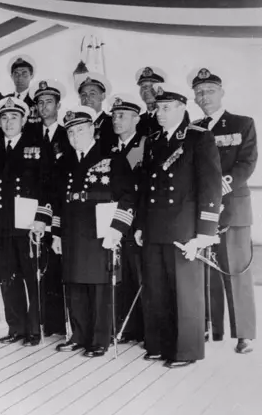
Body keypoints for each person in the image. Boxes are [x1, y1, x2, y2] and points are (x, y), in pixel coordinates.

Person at [135, 83, 222, 368]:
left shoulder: (199, 137)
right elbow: (146, 188)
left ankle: (186, 350)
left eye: (166, 108)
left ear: (183, 108)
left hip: (184, 228)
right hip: (155, 227)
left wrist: (204, 234)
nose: (159, 113)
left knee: (185, 292)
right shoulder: (154, 140)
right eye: (158, 107)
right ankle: (160, 344)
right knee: (156, 290)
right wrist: (140, 225)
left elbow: (210, 187)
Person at [54, 106, 136, 358]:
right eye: (70, 132)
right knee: (75, 285)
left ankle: (101, 339)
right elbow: (58, 200)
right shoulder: (64, 161)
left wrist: (117, 229)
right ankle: (78, 335)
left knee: (101, 287)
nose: (75, 136)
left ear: (92, 129)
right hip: (72, 234)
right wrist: (56, 233)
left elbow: (128, 197)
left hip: (102, 233)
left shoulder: (112, 158)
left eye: (80, 130)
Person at [191, 68, 257, 354]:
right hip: (203, 212)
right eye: (199, 92)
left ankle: (244, 335)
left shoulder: (242, 124)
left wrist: (218, 187)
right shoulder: (192, 128)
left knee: (237, 271)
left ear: (221, 93)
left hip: (233, 208)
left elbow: (247, 163)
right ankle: (213, 328)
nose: (204, 96)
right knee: (208, 271)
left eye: (209, 91)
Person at [0, 97, 53, 346]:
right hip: (3, 225)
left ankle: (34, 330)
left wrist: (42, 219)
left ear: (23, 119)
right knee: (8, 278)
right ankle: (16, 328)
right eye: (4, 117)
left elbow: (47, 186)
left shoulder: (36, 146)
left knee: (32, 279)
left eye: (14, 117)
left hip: (29, 226)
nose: (8, 122)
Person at [31, 79, 70, 337]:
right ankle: (46, 322)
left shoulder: (69, 133)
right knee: (41, 266)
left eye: (49, 102)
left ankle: (62, 324)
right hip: (35, 210)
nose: (45, 106)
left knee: (60, 266)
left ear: (58, 105)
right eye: (40, 102)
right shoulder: (30, 135)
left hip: (61, 208)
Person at [110, 93, 146, 344]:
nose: (116, 120)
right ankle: (126, 327)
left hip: (139, 222)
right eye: (114, 115)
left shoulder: (146, 145)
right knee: (121, 276)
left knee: (141, 275)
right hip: (115, 221)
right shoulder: (109, 148)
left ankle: (146, 330)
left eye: (122, 115)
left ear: (136, 118)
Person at [74, 72, 115, 154]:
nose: (87, 98)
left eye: (92, 94)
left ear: (103, 96)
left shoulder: (113, 123)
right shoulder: (75, 126)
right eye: (83, 95)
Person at [6, 55, 39, 131]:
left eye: (24, 74)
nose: (20, 77)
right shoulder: (5, 100)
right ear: (12, 77)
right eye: (16, 74)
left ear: (31, 76)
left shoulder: (36, 101)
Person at [135, 66, 165, 137]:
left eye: (151, 86)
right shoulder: (137, 121)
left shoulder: (171, 115)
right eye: (143, 86)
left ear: (160, 90)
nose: (146, 90)